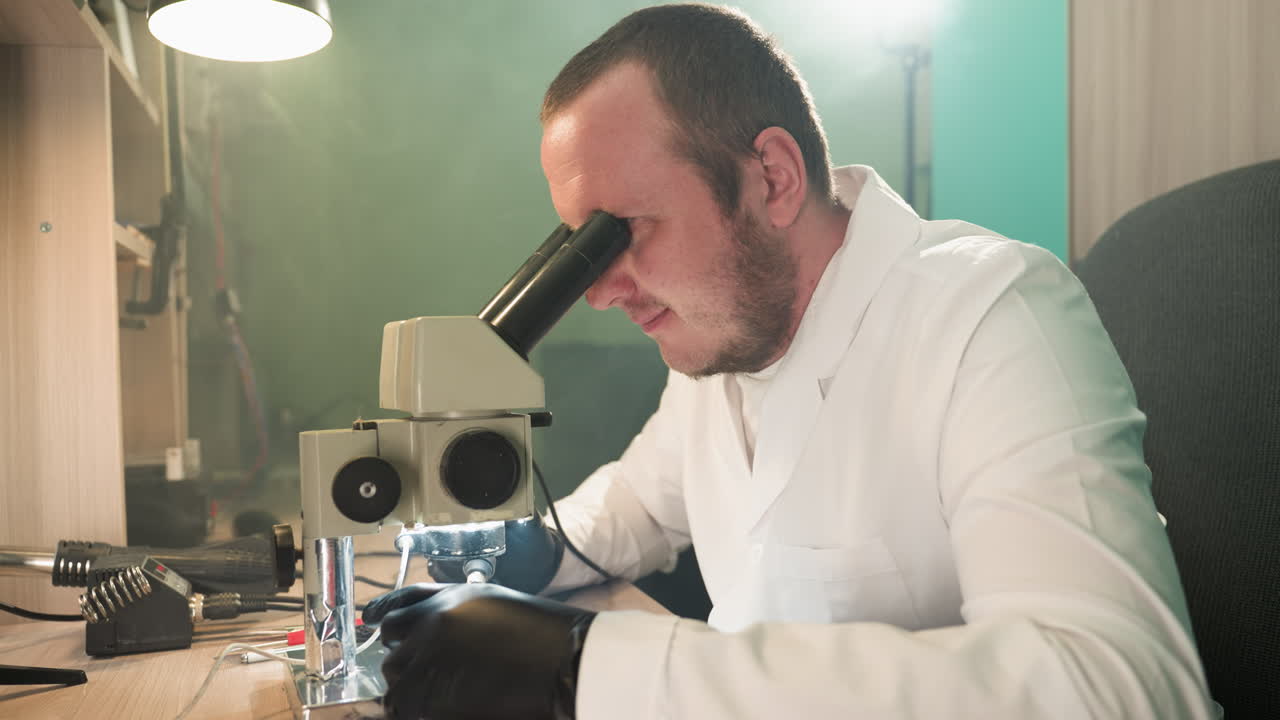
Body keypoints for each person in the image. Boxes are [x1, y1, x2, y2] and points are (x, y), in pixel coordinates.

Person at [363, 4, 1217, 719]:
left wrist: (587, 666)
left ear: (770, 176)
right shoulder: (722, 336)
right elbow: (640, 505)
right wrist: (526, 549)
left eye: (620, 233)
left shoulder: (991, 312)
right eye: (579, 247)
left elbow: (1121, 687)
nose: (598, 290)